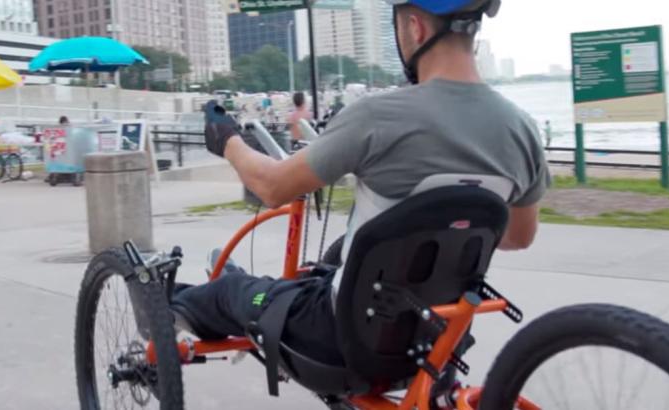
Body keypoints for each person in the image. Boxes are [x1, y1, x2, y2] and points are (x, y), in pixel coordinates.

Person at [174, 0, 548, 372]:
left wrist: (227, 140)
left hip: (340, 338)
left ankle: (161, 308)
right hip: (440, 338)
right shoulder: (522, 128)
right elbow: (518, 235)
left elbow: (271, 187)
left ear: (416, 28)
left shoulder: (377, 117)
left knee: (228, 292)